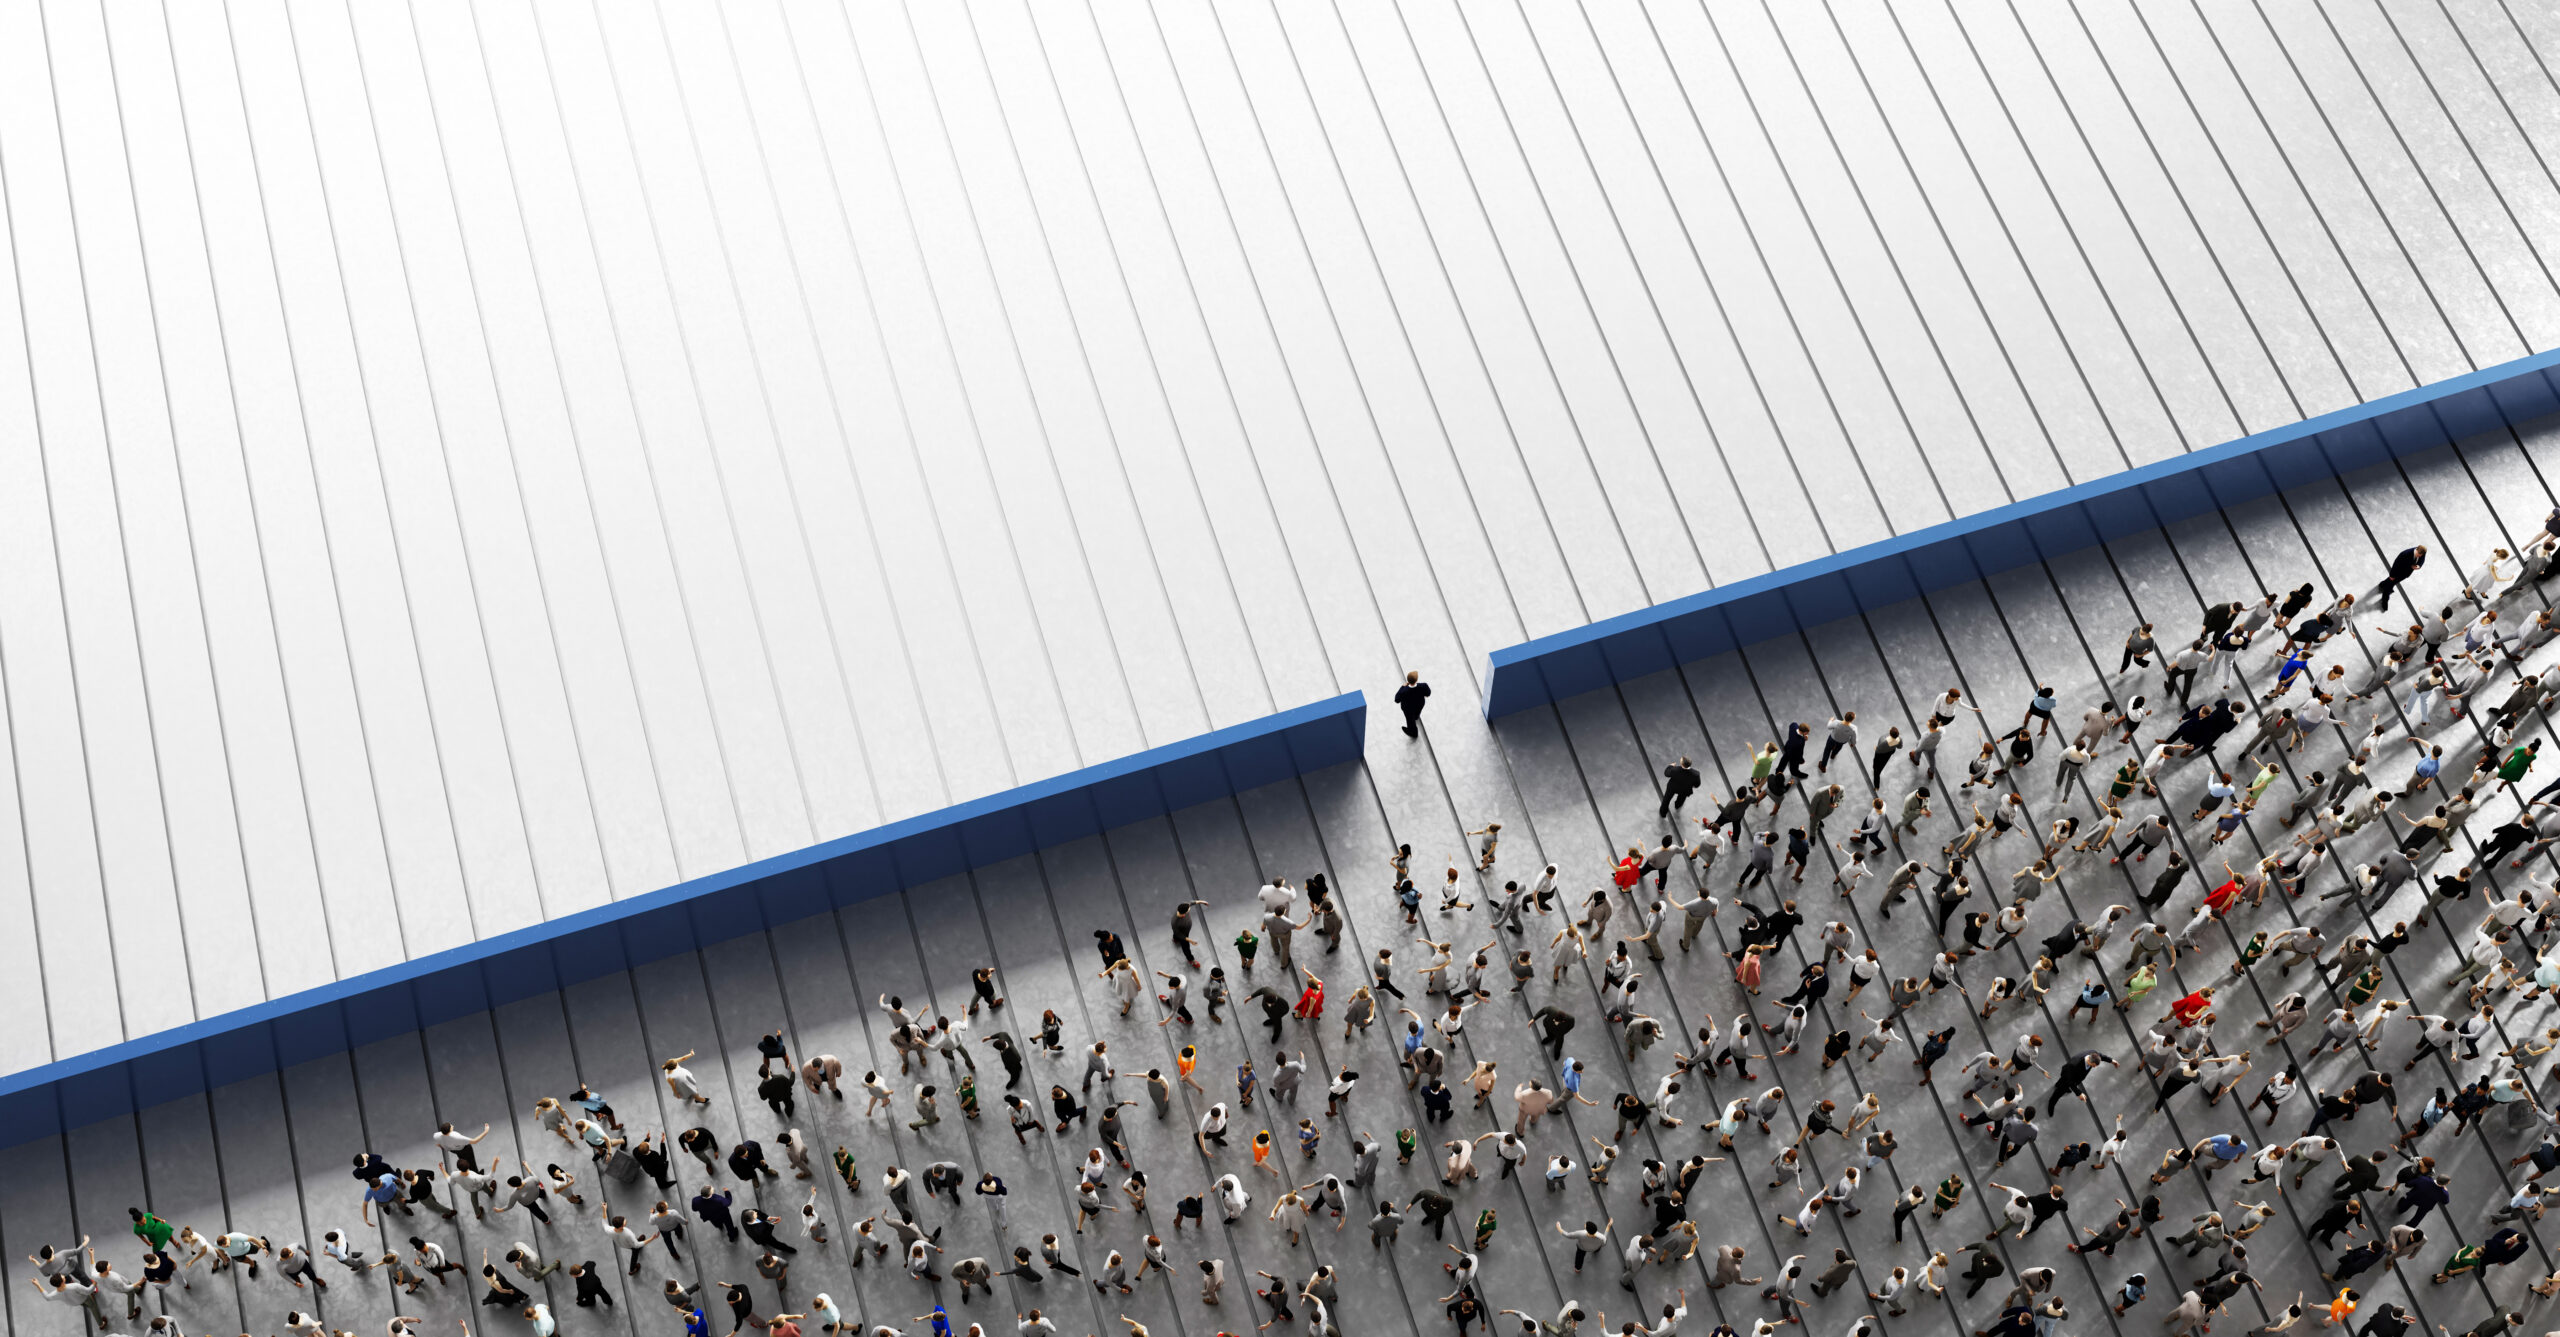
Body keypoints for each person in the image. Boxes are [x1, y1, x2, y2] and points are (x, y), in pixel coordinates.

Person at [1396, 671, 1431, 736]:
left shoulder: (1404, 691)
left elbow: (1397, 700)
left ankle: (1413, 732)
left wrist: (1402, 687)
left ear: (1408, 680)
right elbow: (1428, 694)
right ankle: (1416, 717)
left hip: (1408, 708)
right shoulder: (1423, 686)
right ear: (1416, 680)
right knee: (1417, 713)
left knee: (1410, 720)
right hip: (1419, 704)